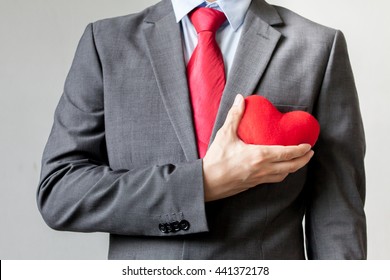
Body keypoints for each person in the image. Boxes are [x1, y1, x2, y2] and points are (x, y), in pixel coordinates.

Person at [37, 0, 366, 259]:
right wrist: (203, 183)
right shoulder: (106, 43)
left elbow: (338, 217)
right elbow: (60, 193)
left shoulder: (319, 47)